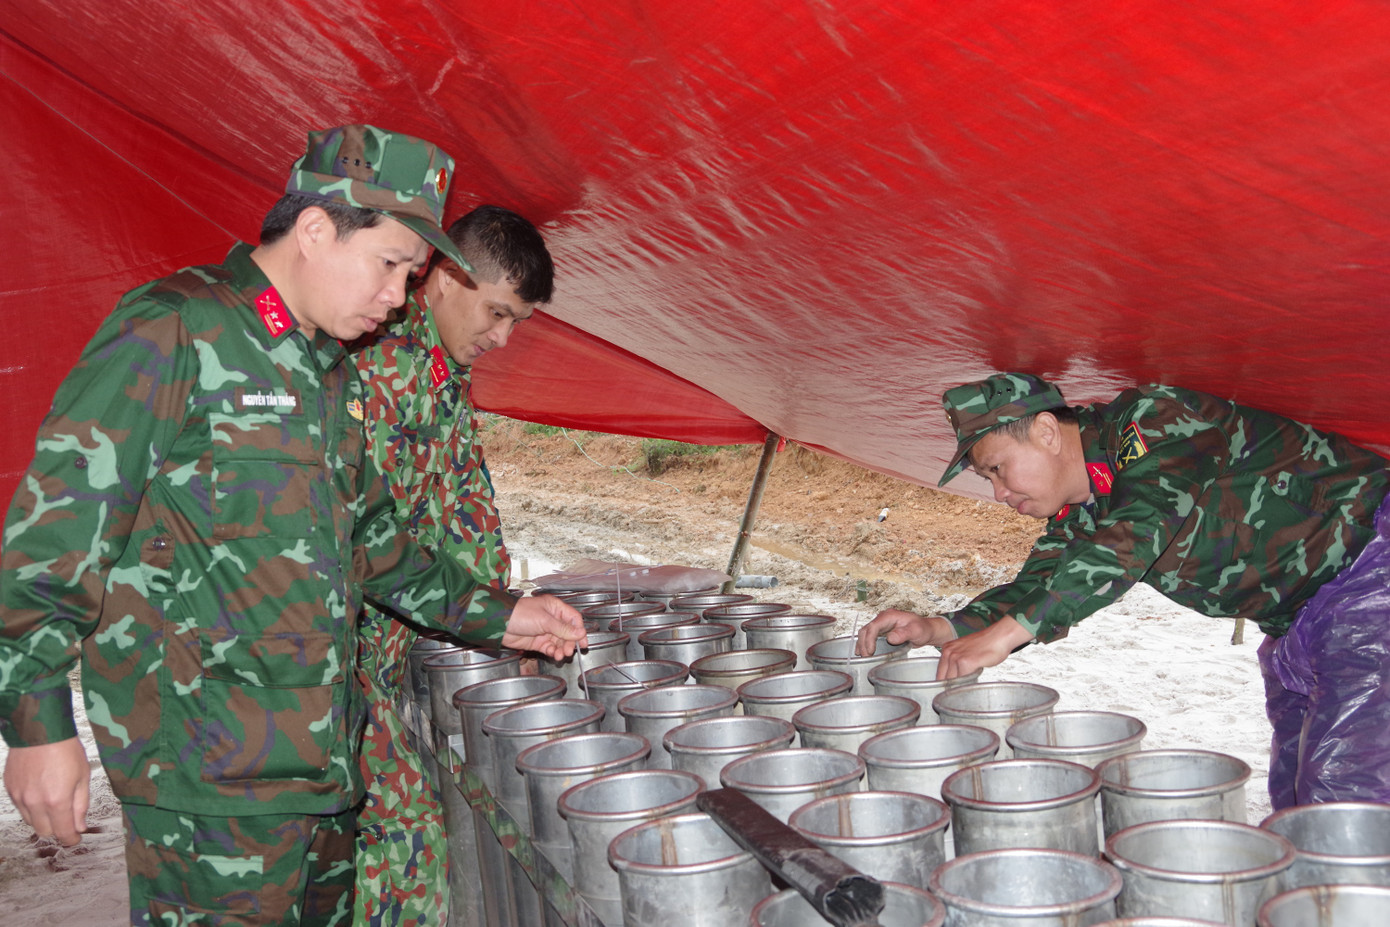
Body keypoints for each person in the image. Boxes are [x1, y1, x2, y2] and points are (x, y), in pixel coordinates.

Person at [0, 125, 586, 926]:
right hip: (208, 783)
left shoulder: (324, 369)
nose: (397, 295)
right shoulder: (178, 329)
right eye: (388, 265)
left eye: (411, 275)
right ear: (315, 230)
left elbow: (375, 542)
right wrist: (36, 722)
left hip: (318, 770)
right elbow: (56, 531)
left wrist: (504, 613)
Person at [856, 372, 1390, 809]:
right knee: (1297, 793)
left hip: (1371, 571)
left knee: (1343, 799)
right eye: (987, 480)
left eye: (997, 469)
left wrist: (1007, 636)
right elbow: (1042, 580)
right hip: (1305, 618)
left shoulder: (1152, 421)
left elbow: (1139, 529)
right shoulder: (1091, 501)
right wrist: (940, 627)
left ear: (1045, 431)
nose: (998, 493)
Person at [352, 205, 551, 926]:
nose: (500, 337)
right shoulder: (380, 365)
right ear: (439, 277)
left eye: (515, 323)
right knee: (403, 841)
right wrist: (499, 618)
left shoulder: (437, 374)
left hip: (378, 660)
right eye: (496, 312)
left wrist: (508, 624)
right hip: (327, 666)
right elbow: (364, 543)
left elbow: (465, 513)